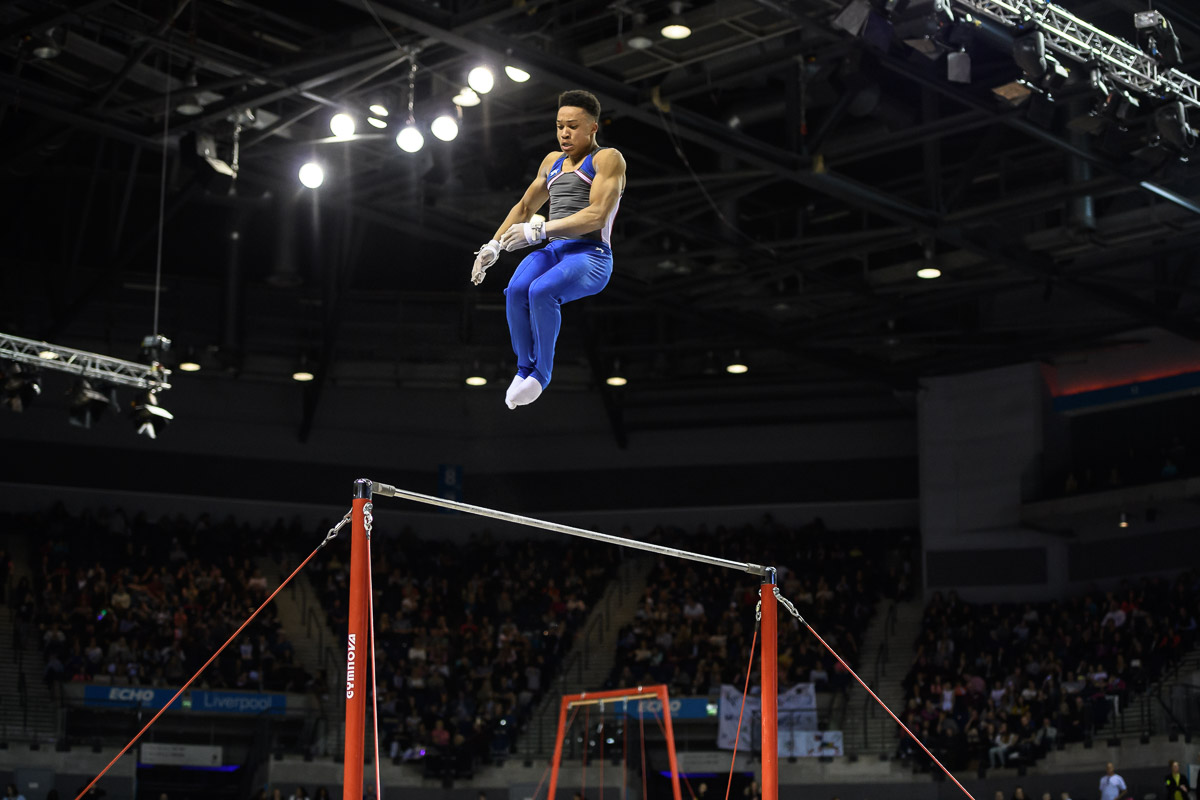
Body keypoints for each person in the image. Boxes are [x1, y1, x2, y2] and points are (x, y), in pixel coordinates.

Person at [471, 89, 627, 409]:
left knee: (541, 291)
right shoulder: (551, 162)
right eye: (559, 126)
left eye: (573, 126)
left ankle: (540, 376)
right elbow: (526, 206)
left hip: (591, 256)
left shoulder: (607, 159)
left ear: (593, 127)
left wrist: (541, 229)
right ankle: (524, 369)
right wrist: (494, 245)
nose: (564, 133)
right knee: (516, 289)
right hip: (555, 251)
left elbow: (597, 214)